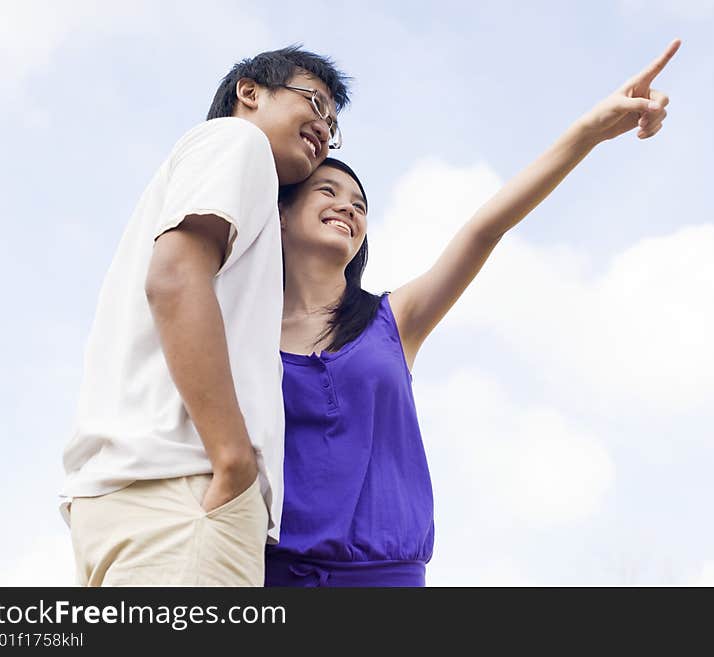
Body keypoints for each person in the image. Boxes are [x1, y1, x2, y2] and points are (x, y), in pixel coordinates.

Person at [265, 40, 682, 586]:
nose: (348, 205)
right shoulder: (246, 333)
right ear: (279, 216)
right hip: (266, 575)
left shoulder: (393, 321)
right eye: (328, 190)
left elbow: (486, 228)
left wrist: (588, 133)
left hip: (384, 577)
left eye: (360, 203)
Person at [60, 46, 350, 586]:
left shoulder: (200, 176)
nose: (324, 126)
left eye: (333, 123)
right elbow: (173, 281)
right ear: (250, 92)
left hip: (138, 495)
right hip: (188, 490)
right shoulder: (237, 142)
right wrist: (233, 458)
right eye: (315, 101)